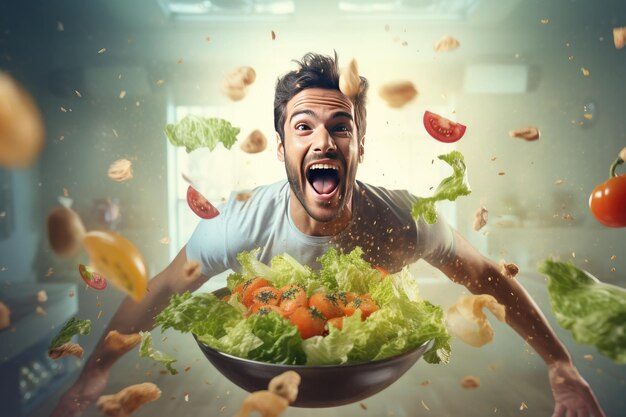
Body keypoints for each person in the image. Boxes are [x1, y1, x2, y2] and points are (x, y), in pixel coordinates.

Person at [51, 52, 606, 417]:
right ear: (280, 147)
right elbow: (163, 287)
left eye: (341, 127)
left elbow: (485, 277)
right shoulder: (242, 221)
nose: (323, 140)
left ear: (360, 144)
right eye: (303, 127)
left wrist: (561, 367)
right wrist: (92, 376)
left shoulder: (403, 221)